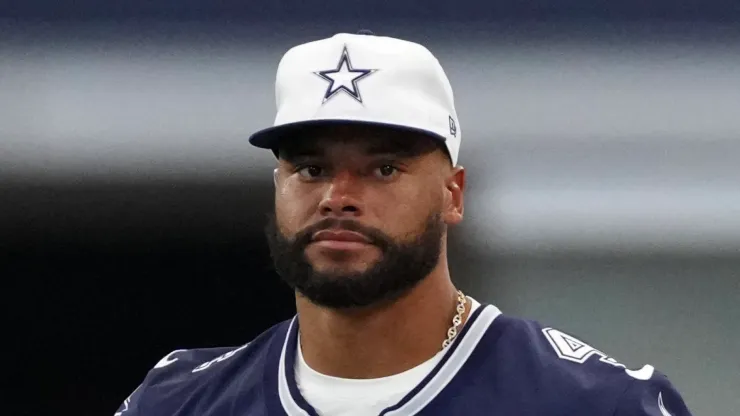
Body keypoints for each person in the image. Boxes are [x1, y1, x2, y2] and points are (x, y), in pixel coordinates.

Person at [114, 31, 693, 416]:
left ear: (453, 194)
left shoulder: (591, 402)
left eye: (384, 168)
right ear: (277, 189)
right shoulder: (178, 400)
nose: (339, 197)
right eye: (311, 168)